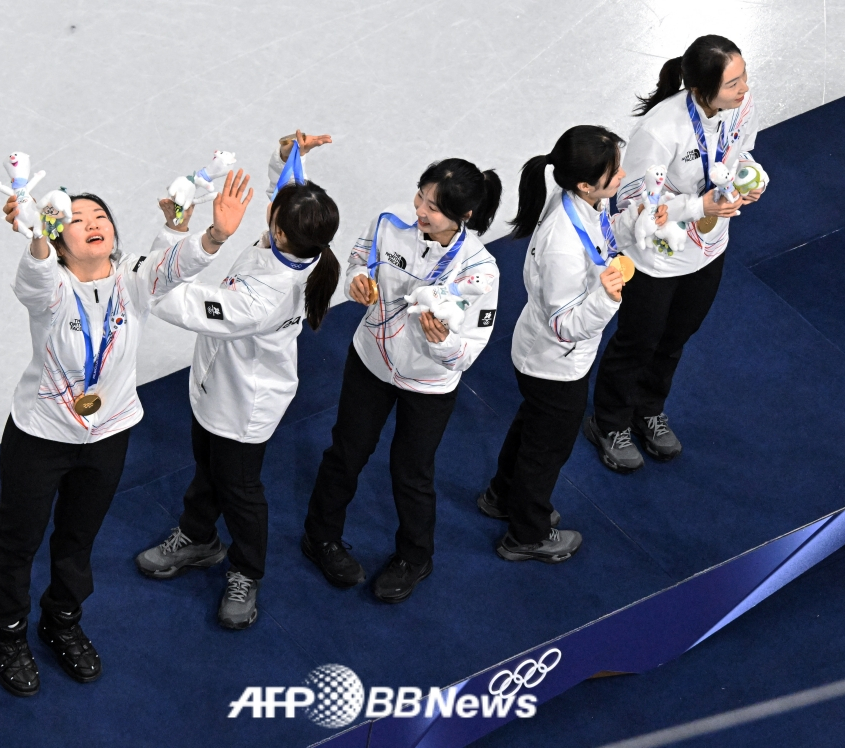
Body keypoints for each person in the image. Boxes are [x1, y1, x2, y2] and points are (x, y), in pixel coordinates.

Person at [0, 170, 253, 696]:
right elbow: (34, 277)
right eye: (76, 220)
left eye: (101, 216)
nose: (92, 224)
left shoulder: (134, 277)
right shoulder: (52, 284)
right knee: (18, 541)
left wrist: (214, 235)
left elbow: (175, 263)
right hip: (41, 436)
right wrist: (38, 234)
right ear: (61, 240)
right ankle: (8, 631)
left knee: (78, 538)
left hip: (108, 436)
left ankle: (61, 619)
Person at [134, 132, 340, 630]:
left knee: (240, 489)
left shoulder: (263, 297)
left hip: (243, 405)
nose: (268, 213)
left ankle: (247, 570)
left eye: (275, 214)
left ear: (282, 232)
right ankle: (198, 536)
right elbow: (287, 193)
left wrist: (162, 252)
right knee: (208, 469)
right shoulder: (297, 242)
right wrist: (289, 157)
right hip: (216, 385)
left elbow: (168, 300)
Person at [302, 158, 502, 603]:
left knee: (412, 472)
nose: (421, 210)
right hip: (371, 361)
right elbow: (360, 257)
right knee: (346, 453)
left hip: (429, 384)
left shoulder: (481, 272)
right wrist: (357, 281)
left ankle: (414, 557)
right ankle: (320, 538)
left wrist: (443, 343)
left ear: (464, 216)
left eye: (434, 207)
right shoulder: (389, 222)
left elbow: (470, 351)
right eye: (421, 196)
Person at [586, 34, 765, 473]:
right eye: (733, 83)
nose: (744, 89)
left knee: (676, 336)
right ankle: (609, 422)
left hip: (709, 247)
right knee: (638, 340)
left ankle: (648, 409)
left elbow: (744, 153)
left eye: (744, 77)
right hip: (656, 257)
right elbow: (631, 204)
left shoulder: (741, 107)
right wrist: (697, 206)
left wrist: (752, 178)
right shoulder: (659, 129)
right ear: (703, 90)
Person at [479, 125, 645, 562]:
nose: (622, 174)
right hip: (555, 363)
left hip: (545, 359)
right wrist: (608, 298)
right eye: (613, 173)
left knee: (531, 427)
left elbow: (602, 238)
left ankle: (501, 495)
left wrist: (637, 222)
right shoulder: (562, 248)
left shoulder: (579, 203)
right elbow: (565, 325)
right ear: (586, 185)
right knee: (546, 451)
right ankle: (526, 535)